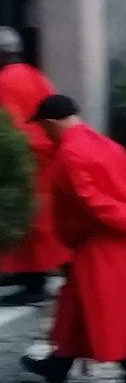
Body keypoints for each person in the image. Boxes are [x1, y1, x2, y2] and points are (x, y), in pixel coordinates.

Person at [19, 95, 126, 383]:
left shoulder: (70, 154)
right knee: (78, 304)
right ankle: (58, 366)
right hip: (112, 238)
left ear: (50, 123)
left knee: (108, 309)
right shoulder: (107, 144)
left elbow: (91, 202)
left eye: (42, 126)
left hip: (98, 240)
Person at [0, 28, 68, 306]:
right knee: (39, 219)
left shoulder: (3, 81)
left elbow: (8, 126)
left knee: (27, 220)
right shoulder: (36, 75)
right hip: (45, 155)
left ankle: (33, 280)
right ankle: (26, 272)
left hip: (23, 157)